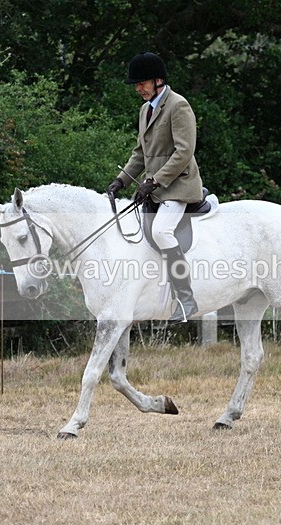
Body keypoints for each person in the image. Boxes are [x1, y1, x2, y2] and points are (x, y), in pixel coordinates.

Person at [106, 52, 202, 323]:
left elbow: (184, 151)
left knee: (161, 231)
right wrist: (122, 180)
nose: (138, 88)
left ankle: (186, 300)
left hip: (179, 186)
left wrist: (156, 179)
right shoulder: (145, 109)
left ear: (158, 80)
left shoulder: (178, 105)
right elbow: (140, 153)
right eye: (136, 85)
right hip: (155, 188)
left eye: (142, 83)